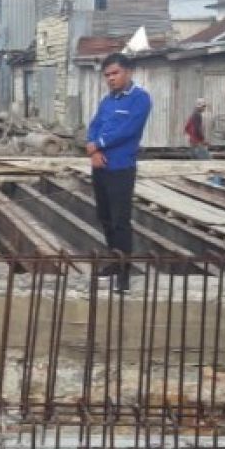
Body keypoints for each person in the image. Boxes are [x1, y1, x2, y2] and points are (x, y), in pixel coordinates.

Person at [86, 53, 152, 293]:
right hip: (100, 167)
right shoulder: (107, 101)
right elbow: (93, 127)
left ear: (127, 72)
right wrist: (93, 150)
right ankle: (114, 261)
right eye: (107, 75)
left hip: (121, 168)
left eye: (115, 73)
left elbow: (128, 130)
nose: (111, 79)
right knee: (104, 217)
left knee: (120, 220)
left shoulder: (140, 99)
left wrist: (99, 144)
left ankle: (124, 272)